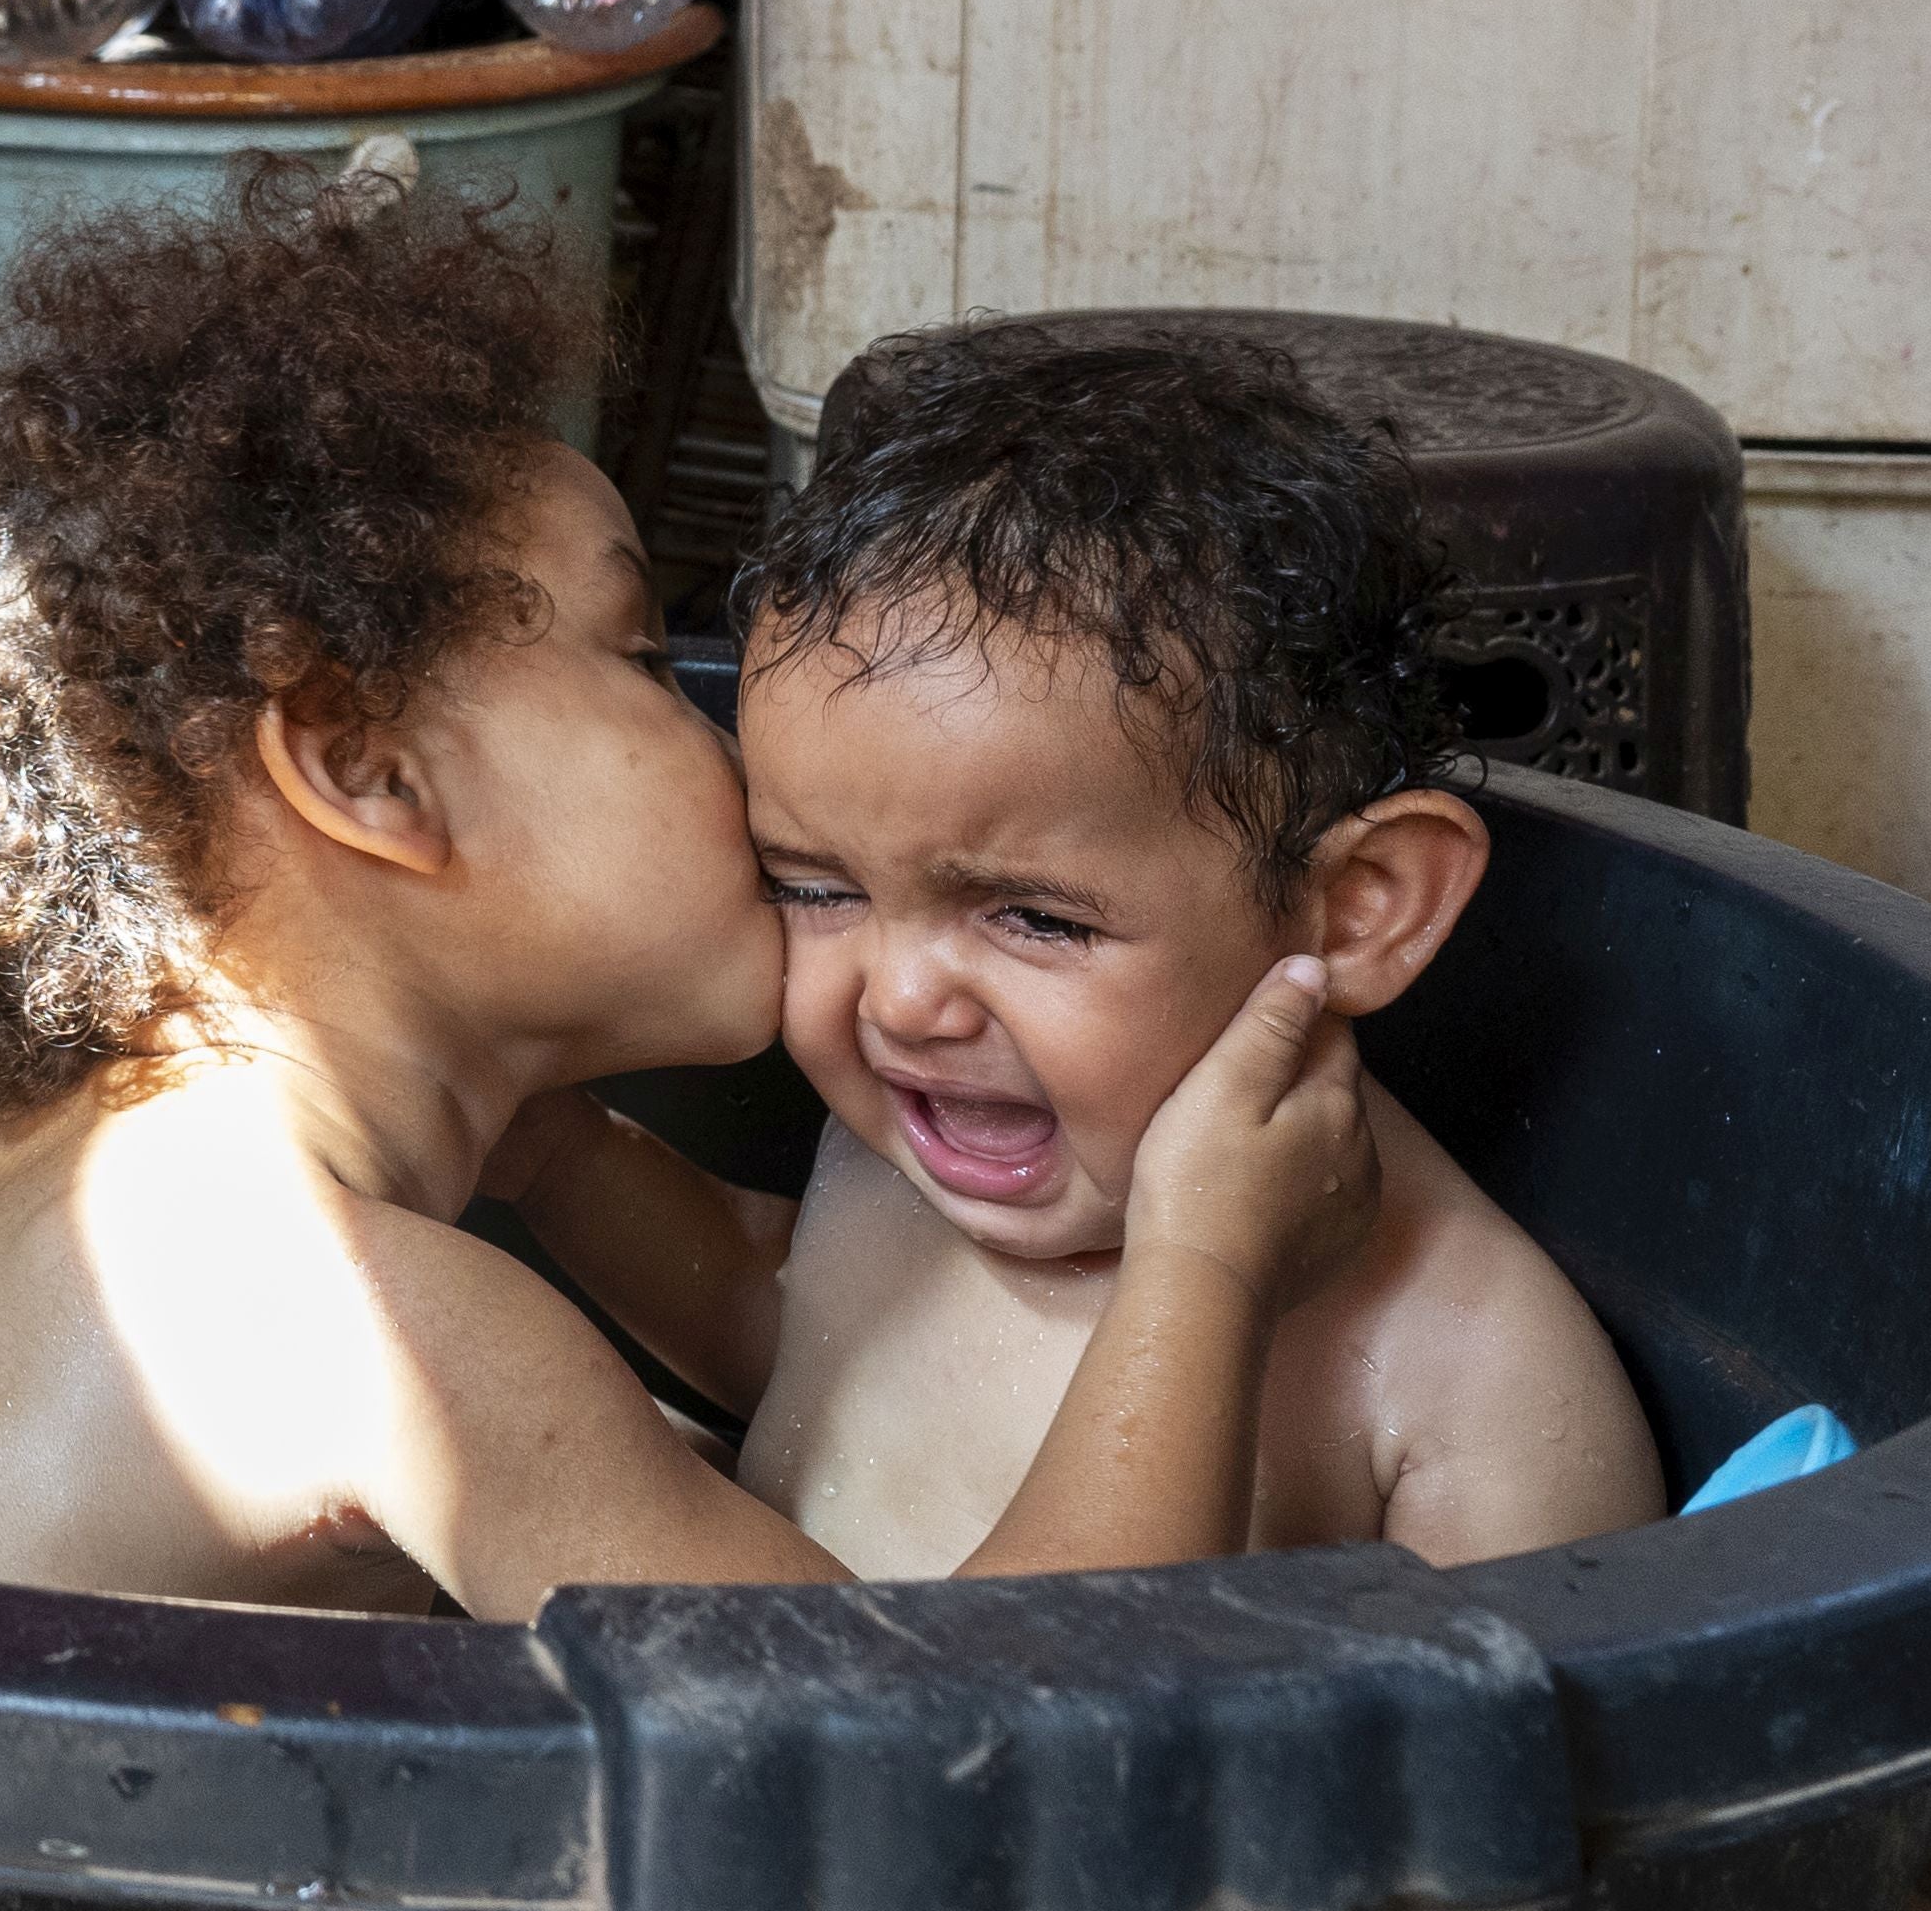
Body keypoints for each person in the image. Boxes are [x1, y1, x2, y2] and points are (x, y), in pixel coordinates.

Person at [0, 176, 1377, 1613]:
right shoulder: (387, 1333)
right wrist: (1201, 1261)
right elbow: (948, 1764)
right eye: (638, 656)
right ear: (366, 768)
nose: (726, 736)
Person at [488, 324, 1667, 1574]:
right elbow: (797, 1339)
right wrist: (559, 1154)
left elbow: (1551, 1697)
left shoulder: (1468, 1369)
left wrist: (1204, 1267)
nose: (901, 999)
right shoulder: (912, 1135)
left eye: (1036, 917)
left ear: (1360, 904)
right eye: (816, 887)